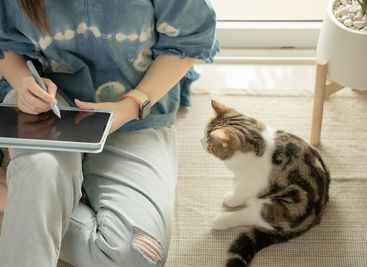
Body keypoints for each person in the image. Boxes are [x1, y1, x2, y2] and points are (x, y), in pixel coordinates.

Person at [0, 0, 218, 266]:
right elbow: (6, 41)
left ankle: (12, 195)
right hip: (50, 104)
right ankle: (30, 193)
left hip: (136, 110)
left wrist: (130, 106)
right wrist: (24, 81)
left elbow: (187, 38)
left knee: (139, 255)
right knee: (41, 168)